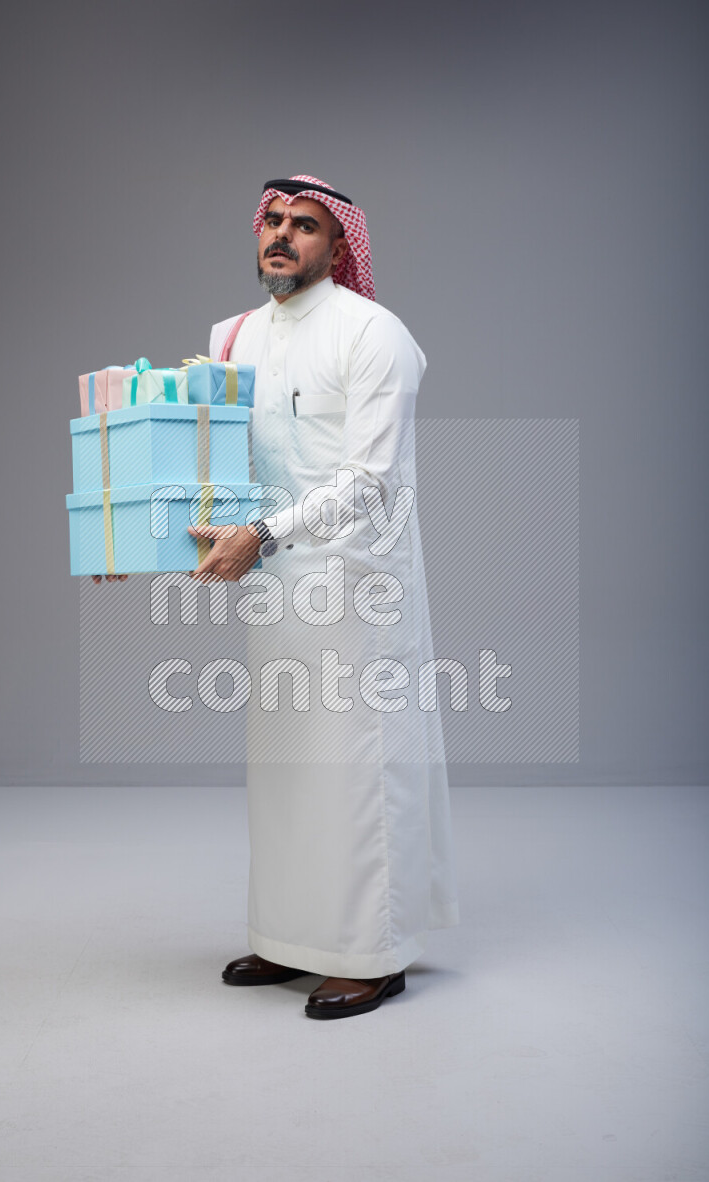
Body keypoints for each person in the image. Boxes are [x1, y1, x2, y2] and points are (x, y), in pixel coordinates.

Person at [186, 174, 460, 1020]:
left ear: (339, 246)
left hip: (354, 586)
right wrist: (144, 541)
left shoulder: (373, 332)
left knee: (355, 770)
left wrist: (263, 535)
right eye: (272, 220)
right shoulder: (230, 336)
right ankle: (290, 939)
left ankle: (371, 955)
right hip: (272, 586)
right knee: (284, 770)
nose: (282, 236)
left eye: (305, 226)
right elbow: (220, 470)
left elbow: (369, 480)